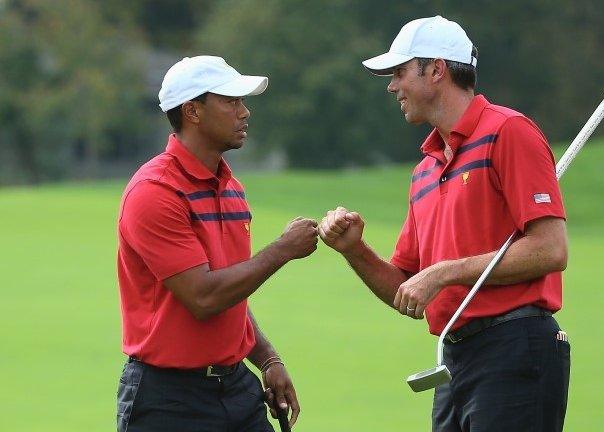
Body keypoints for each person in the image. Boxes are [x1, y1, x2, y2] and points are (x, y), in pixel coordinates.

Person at [319, 16, 570, 432]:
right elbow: (407, 287)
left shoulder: (509, 132)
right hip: (454, 359)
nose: (391, 85)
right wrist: (354, 250)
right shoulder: (424, 170)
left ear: (436, 70)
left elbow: (550, 249)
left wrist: (445, 272)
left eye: (399, 73)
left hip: (516, 347)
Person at [116, 55, 317, 432]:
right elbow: (204, 298)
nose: (245, 112)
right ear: (192, 111)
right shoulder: (154, 192)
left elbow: (232, 290)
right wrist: (283, 250)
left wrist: (268, 359)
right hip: (168, 400)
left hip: (236, 387)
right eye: (231, 101)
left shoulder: (231, 187)